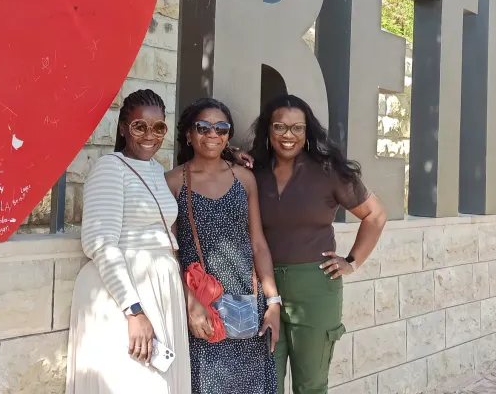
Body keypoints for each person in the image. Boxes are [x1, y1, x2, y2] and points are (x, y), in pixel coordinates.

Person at [248, 94, 387, 394]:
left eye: (297, 128)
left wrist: (351, 262)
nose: (289, 136)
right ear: (267, 131)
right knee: (264, 383)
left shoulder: (328, 170)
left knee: (310, 385)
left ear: (307, 131)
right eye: (279, 127)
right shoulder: (253, 172)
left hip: (314, 289)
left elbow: (375, 214)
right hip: (263, 287)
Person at [66, 89, 190, 393]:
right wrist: (133, 311)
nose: (150, 135)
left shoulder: (156, 170)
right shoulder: (110, 167)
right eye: (139, 126)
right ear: (123, 128)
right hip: (126, 294)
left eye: (159, 127)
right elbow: (100, 242)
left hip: (159, 289)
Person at [165, 98, 281, 394]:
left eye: (221, 128)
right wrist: (191, 300)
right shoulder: (174, 181)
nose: (212, 134)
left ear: (229, 135)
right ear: (189, 134)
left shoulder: (244, 178)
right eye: (203, 127)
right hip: (201, 303)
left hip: (246, 302)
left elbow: (258, 244)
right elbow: (171, 250)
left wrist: (273, 303)